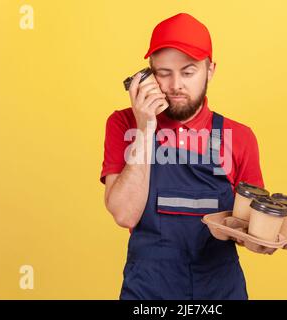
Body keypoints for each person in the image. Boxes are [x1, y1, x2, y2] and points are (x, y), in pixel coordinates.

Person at [100, 13, 264, 300]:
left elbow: (250, 224)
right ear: (148, 73)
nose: (175, 85)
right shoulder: (124, 125)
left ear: (210, 70)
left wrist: (263, 237)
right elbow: (125, 214)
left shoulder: (240, 137)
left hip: (219, 292)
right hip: (148, 293)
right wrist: (145, 125)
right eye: (163, 73)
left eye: (188, 72)